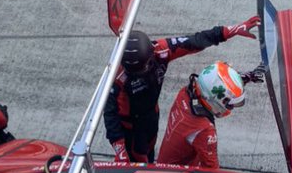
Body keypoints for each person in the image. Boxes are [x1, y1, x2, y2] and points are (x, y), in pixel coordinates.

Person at [104, 16, 261, 163]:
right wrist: (120, 151)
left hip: (151, 115)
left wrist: (232, 31)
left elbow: (195, 41)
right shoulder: (117, 78)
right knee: (136, 161)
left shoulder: (161, 50)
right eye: (136, 71)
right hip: (129, 128)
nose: (142, 72)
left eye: (144, 67)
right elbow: (110, 115)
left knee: (148, 154)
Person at [156, 60, 265, 169]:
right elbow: (212, 170)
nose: (231, 107)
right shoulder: (204, 130)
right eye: (230, 104)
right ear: (215, 101)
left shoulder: (185, 93)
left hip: (164, 166)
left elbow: (212, 83)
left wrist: (242, 78)